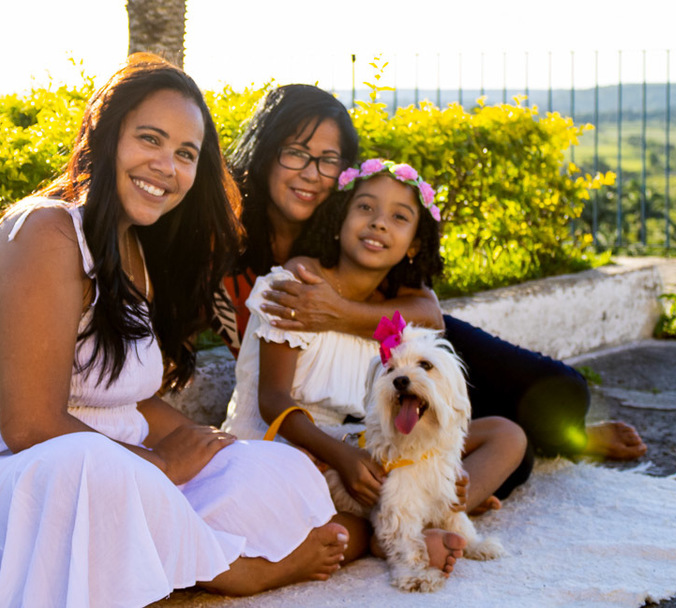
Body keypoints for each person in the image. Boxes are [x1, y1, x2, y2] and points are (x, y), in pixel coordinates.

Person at [0, 56, 351, 608]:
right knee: (90, 468)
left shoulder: (133, 249)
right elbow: (30, 426)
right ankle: (236, 572)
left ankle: (191, 551)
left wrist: (211, 449)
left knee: (262, 467)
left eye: (185, 154)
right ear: (105, 137)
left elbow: (128, 401)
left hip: (88, 473)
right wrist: (162, 467)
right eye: (150, 139)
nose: (166, 166)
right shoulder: (45, 231)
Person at [215, 85, 645, 496]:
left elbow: (429, 315)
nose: (311, 173)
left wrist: (337, 311)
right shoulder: (227, 238)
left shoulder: (354, 214)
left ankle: (562, 436)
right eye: (295, 153)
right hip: (334, 384)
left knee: (562, 393)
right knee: (515, 459)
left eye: (328, 160)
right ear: (266, 151)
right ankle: (492, 465)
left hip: (393, 336)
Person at [223, 159, 528, 574]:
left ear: (414, 244)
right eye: (365, 207)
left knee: (505, 435)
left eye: (399, 217)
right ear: (338, 221)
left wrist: (439, 471)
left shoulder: (395, 312)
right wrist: (343, 458)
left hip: (350, 444)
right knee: (341, 532)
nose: (379, 223)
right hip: (282, 442)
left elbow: (432, 318)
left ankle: (432, 509)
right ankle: (398, 533)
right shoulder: (298, 285)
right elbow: (272, 402)